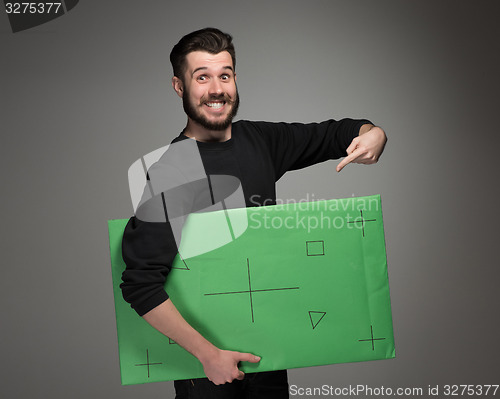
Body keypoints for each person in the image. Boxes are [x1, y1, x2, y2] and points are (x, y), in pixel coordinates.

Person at [121, 27, 387, 398]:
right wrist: (208, 355)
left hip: (270, 356)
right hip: (207, 371)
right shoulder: (171, 171)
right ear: (179, 87)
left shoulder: (259, 141)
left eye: (225, 75)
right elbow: (140, 285)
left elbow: (336, 133)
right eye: (202, 77)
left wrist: (374, 133)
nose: (217, 89)